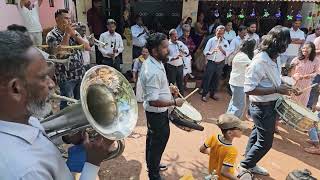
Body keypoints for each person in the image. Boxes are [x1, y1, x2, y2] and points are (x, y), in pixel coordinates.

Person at [0, 30, 115, 180]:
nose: (51, 83)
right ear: (16, 88)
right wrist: (92, 163)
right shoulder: (27, 172)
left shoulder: (22, 119)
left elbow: (38, 138)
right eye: (43, 77)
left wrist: (66, 138)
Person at [239, 26, 298, 176]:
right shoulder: (260, 61)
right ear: (276, 42)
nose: (287, 46)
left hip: (269, 105)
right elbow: (248, 89)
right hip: (262, 107)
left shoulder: (275, 56)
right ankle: (246, 165)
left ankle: (248, 160)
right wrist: (277, 90)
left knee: (256, 134)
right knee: (265, 142)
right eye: (285, 43)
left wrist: (287, 86)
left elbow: (273, 81)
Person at [140, 33, 185, 180]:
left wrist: (169, 88)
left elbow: (157, 88)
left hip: (156, 112)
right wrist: (174, 102)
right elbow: (153, 101)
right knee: (158, 141)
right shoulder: (152, 71)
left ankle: (153, 164)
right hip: (156, 113)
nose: (168, 50)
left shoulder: (156, 61)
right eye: (165, 48)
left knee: (152, 139)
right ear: (154, 51)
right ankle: (153, 174)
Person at [46, 9, 91, 110]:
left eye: (70, 18)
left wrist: (74, 34)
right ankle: (67, 125)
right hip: (66, 77)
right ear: (57, 20)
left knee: (80, 104)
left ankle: (78, 123)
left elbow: (87, 47)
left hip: (80, 74)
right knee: (67, 105)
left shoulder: (73, 32)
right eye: (66, 18)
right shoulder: (51, 35)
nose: (69, 21)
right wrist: (67, 34)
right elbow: (60, 54)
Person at [200, 114, 245, 180]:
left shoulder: (213, 137)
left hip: (212, 173)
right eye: (239, 128)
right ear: (229, 133)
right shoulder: (232, 150)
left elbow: (202, 149)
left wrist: (213, 154)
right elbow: (224, 172)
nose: (242, 129)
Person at [227, 39, 256, 118]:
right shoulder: (243, 57)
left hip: (236, 82)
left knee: (234, 103)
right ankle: (233, 123)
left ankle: (228, 119)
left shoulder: (241, 54)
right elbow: (254, 66)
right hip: (238, 84)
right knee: (239, 105)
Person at [202, 25, 230, 102]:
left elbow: (227, 54)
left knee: (216, 79)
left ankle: (212, 94)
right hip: (211, 62)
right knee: (208, 78)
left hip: (220, 63)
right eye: (219, 33)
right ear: (216, 32)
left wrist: (221, 49)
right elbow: (205, 51)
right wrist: (211, 52)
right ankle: (204, 94)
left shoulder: (225, 42)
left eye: (222, 33)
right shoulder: (211, 40)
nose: (220, 35)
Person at [290, 42, 318, 107]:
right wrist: (294, 76)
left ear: (312, 49)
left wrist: (310, 75)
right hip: (295, 85)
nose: (305, 50)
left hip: (306, 86)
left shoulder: (316, 60)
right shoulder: (296, 59)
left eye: (307, 48)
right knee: (291, 103)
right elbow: (290, 71)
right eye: (303, 48)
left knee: (302, 106)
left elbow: (316, 72)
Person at [166, 29, 189, 95]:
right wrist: (174, 58)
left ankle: (181, 99)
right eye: (174, 37)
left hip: (180, 66)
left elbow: (187, 51)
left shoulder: (180, 43)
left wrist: (183, 52)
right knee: (172, 84)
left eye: (177, 36)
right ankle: (171, 100)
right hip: (171, 67)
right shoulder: (167, 44)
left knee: (180, 83)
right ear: (170, 36)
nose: (176, 38)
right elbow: (165, 57)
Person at [87, 0, 106, 65]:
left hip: (104, 33)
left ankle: (105, 63)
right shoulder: (90, 12)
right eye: (97, 2)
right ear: (94, 3)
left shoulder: (102, 10)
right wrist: (92, 34)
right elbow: (89, 24)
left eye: (99, 2)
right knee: (98, 49)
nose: (99, 4)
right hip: (96, 33)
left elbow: (105, 21)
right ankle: (99, 64)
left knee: (105, 47)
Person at [179, 24, 196, 88]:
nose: (188, 33)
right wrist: (186, 49)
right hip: (182, 58)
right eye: (186, 31)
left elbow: (193, 46)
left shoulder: (189, 38)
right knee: (181, 72)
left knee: (188, 72)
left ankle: (185, 85)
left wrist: (187, 48)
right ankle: (180, 84)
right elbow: (179, 48)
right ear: (183, 31)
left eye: (188, 32)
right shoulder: (180, 39)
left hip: (188, 57)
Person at [307, 36, 320, 109]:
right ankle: (308, 105)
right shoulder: (318, 39)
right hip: (317, 69)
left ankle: (315, 106)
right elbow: (313, 51)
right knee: (312, 87)